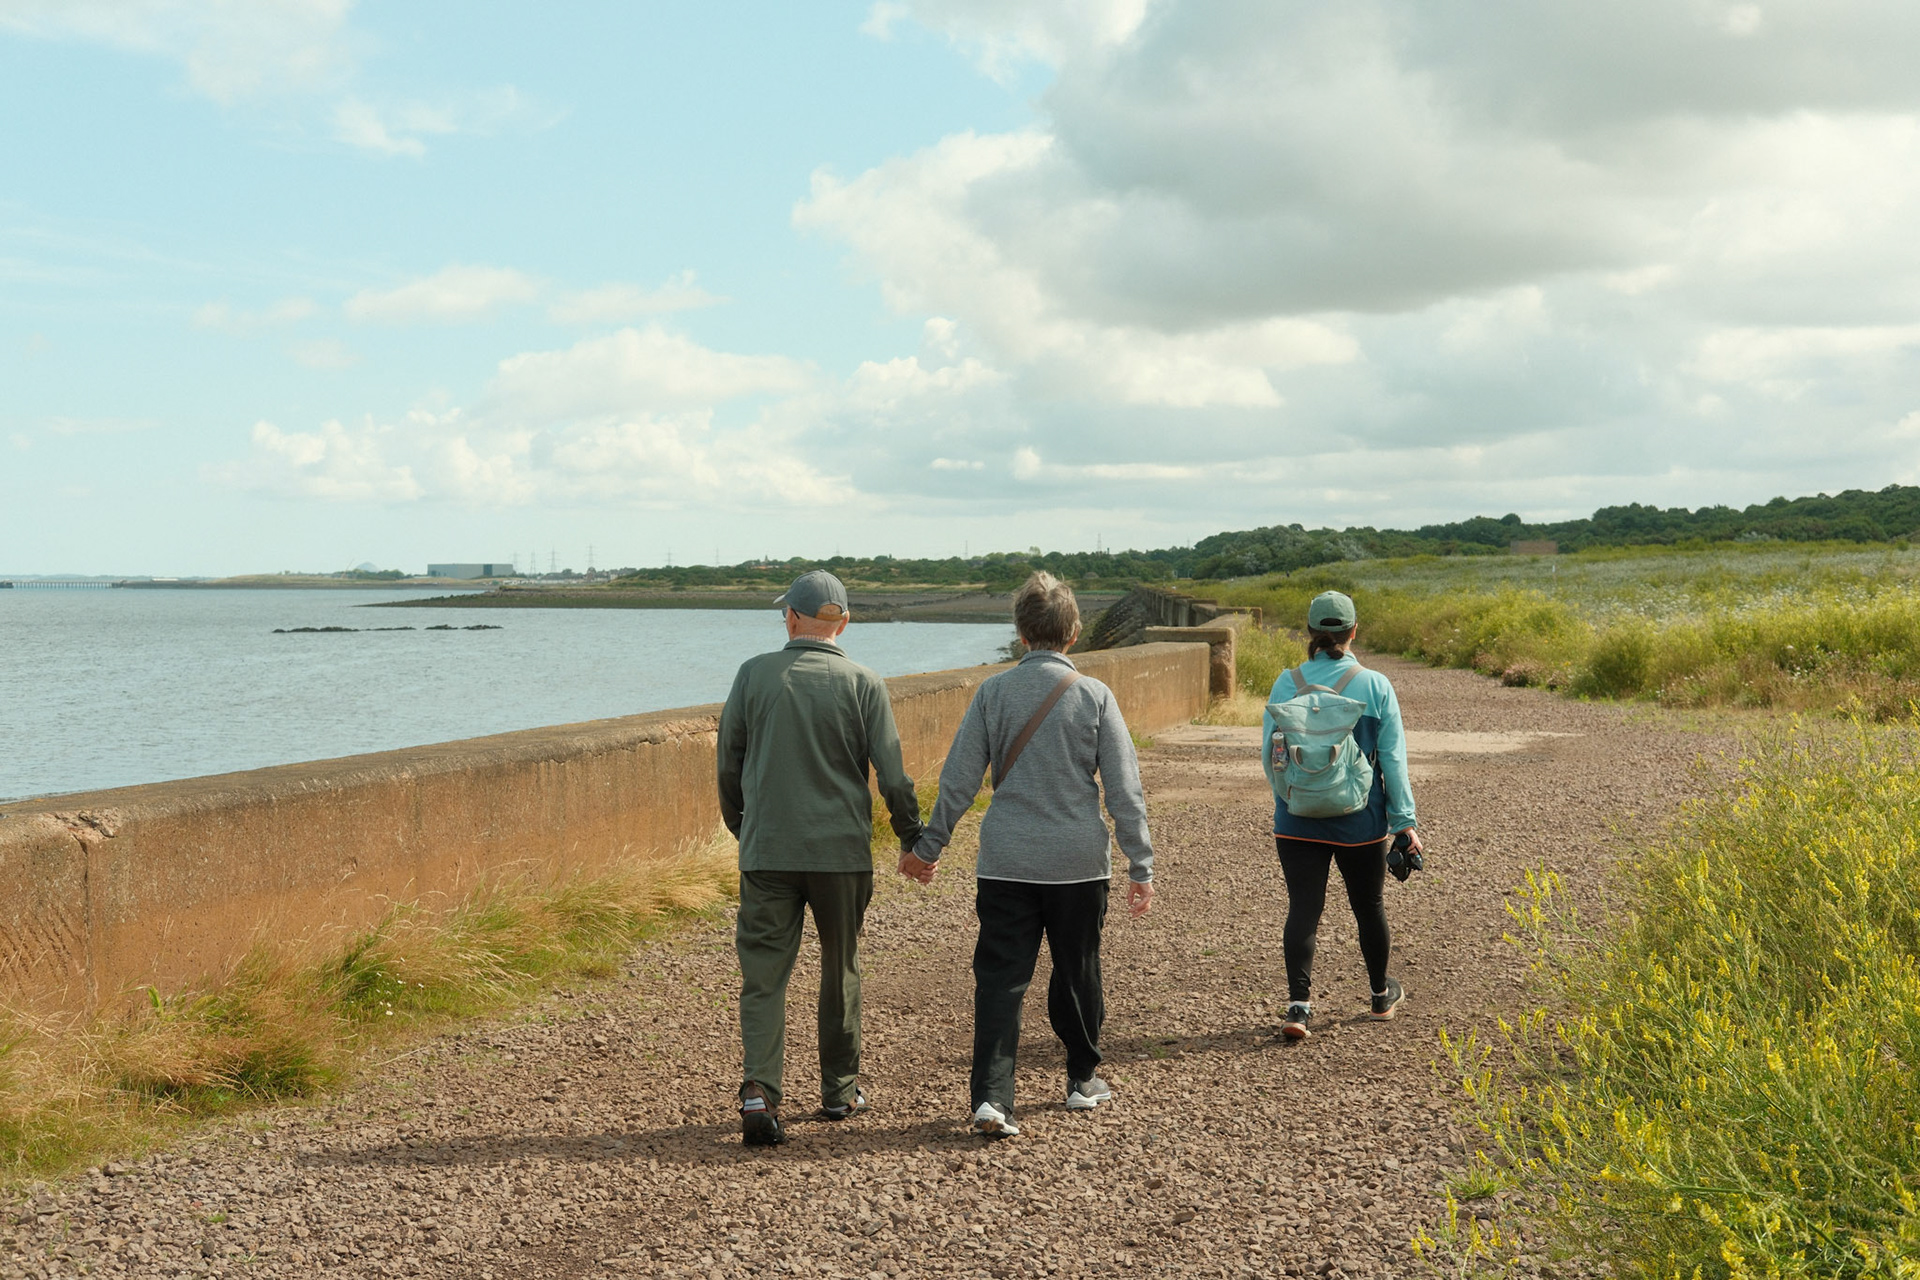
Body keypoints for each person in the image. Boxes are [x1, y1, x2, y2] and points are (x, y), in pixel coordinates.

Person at [902, 571, 1154, 1138]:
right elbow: (1124, 789)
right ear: (1074, 633)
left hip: (1006, 862)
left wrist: (928, 846)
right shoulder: (1094, 695)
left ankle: (993, 1098)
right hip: (1077, 864)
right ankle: (1081, 1079)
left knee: (1001, 979)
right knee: (1078, 969)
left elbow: (959, 780)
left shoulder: (992, 693)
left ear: (1020, 633)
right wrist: (1140, 864)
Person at [717, 569, 923, 1146]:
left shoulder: (753, 674)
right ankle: (839, 1090)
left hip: (768, 849)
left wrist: (744, 827)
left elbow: (729, 762)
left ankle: (759, 1091)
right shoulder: (865, 683)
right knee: (841, 966)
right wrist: (911, 837)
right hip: (841, 852)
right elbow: (893, 776)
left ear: (791, 618)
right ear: (844, 623)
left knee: (763, 975)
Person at [1261, 589, 1423, 1040]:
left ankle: (1298, 1008)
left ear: (1310, 632)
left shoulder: (1286, 683)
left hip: (1297, 821)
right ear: (1354, 631)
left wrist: (1289, 800)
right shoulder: (1375, 685)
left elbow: (1270, 756)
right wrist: (1404, 822)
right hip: (1360, 822)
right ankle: (1379, 996)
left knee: (1303, 908)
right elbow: (1392, 760)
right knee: (1368, 907)